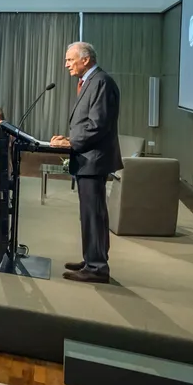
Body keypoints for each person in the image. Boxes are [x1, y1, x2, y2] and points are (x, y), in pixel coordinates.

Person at [50, 41, 121, 284]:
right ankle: (92, 258)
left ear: (86, 59)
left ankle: (97, 267)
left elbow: (98, 125)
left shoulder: (101, 82)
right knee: (90, 214)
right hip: (88, 158)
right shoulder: (90, 82)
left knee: (93, 214)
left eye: (70, 59)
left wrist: (70, 143)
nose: (66, 64)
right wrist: (69, 139)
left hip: (94, 159)